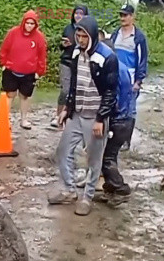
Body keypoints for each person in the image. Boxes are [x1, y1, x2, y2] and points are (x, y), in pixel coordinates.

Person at [48, 16, 119, 216]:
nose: (80, 39)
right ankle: (70, 190)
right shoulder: (76, 54)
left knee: (94, 159)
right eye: (78, 35)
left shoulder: (107, 57)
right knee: (63, 151)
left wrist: (100, 119)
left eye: (83, 36)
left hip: (95, 116)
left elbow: (111, 92)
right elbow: (73, 85)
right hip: (77, 113)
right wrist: (66, 109)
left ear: (93, 35)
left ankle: (87, 197)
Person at [99, 38, 133, 207]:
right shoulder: (121, 67)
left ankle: (121, 188)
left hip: (120, 120)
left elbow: (115, 99)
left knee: (107, 157)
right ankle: (110, 188)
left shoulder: (115, 70)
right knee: (108, 156)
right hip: (125, 118)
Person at [0, 10, 47, 130]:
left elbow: (42, 55)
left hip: (29, 72)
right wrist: (3, 63)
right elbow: (4, 48)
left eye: (32, 23)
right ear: (23, 22)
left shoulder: (39, 37)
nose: (29, 25)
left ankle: (24, 119)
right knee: (10, 94)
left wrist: (39, 71)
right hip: (11, 69)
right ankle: (5, 120)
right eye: (27, 23)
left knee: (25, 96)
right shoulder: (13, 33)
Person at [110, 4, 148, 150]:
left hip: (131, 78)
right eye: (121, 15)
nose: (122, 18)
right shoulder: (115, 34)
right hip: (115, 76)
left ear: (132, 16)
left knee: (129, 110)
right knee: (114, 106)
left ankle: (126, 140)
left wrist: (139, 80)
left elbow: (142, 59)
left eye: (125, 15)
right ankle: (114, 136)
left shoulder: (139, 37)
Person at [52, 5, 89, 128]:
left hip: (81, 63)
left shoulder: (88, 30)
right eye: (76, 13)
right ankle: (58, 116)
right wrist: (63, 44)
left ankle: (71, 117)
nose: (78, 16)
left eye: (81, 13)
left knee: (77, 91)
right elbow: (61, 46)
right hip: (66, 62)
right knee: (65, 90)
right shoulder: (68, 28)